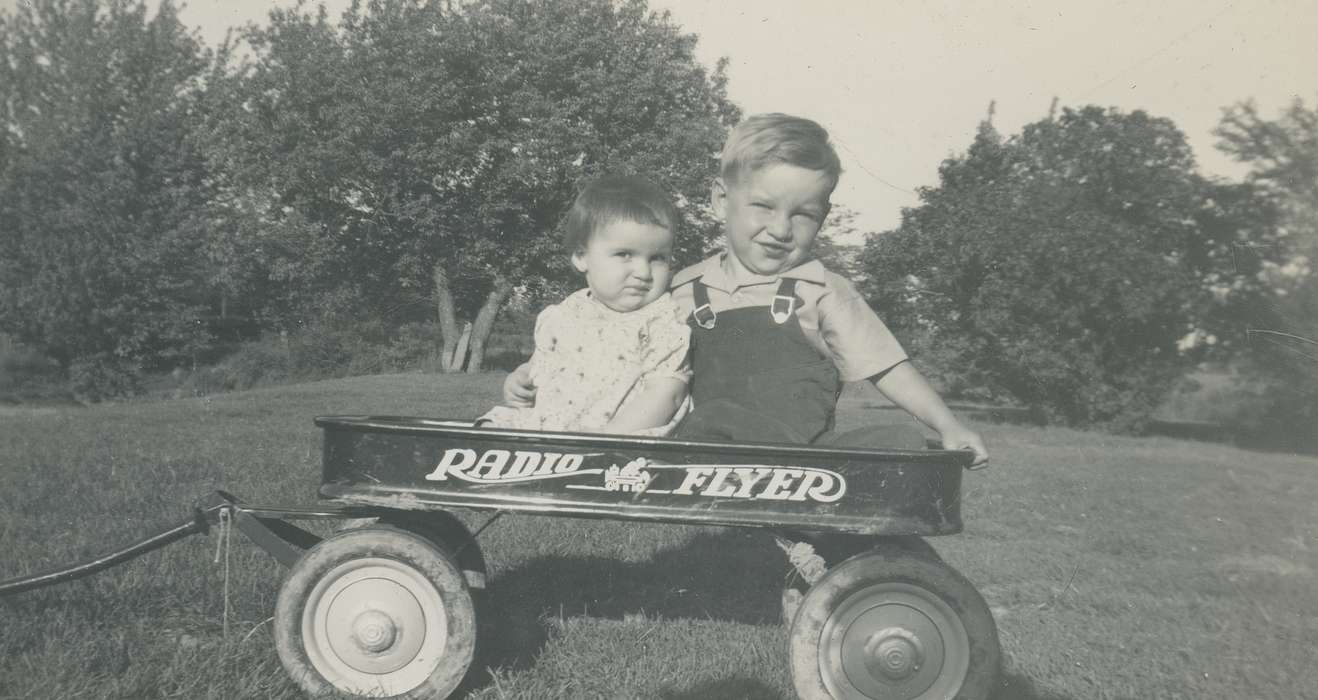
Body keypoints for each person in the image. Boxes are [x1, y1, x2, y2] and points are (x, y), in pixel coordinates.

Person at [505, 114, 987, 467]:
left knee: (898, 442)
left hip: (798, 457)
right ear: (720, 200)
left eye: (803, 214)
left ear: (823, 216)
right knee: (712, 423)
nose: (781, 229)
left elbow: (886, 364)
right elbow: (606, 343)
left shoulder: (820, 289)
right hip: (707, 451)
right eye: (763, 206)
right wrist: (532, 375)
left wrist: (948, 425)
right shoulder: (680, 287)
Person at [480, 174, 690, 436]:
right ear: (581, 257)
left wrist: (606, 439)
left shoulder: (662, 322)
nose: (643, 272)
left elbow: (666, 395)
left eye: (657, 258)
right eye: (625, 254)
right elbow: (540, 364)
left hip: (616, 437)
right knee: (491, 427)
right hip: (548, 428)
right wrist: (520, 380)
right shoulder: (566, 313)